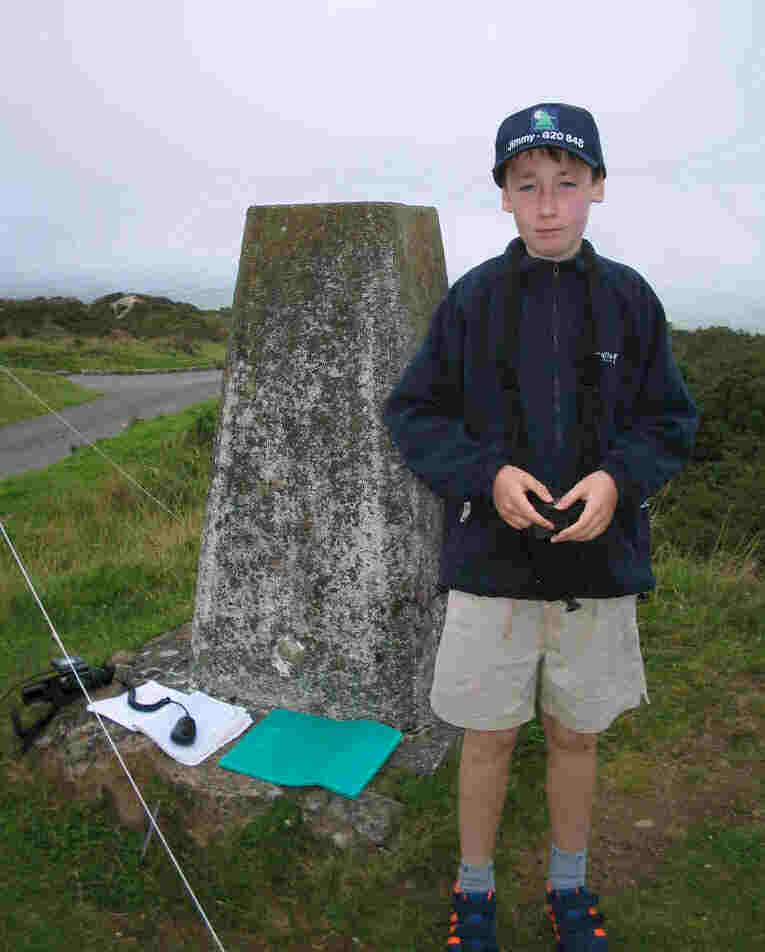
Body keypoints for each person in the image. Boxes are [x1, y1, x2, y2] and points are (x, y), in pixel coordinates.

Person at [383, 103, 699, 951]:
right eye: (528, 187)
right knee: (486, 737)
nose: (548, 204)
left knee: (574, 735)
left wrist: (616, 480)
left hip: (596, 571)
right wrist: (486, 476)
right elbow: (414, 412)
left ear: (595, 187)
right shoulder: (473, 299)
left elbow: (668, 422)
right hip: (490, 566)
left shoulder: (630, 299)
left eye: (566, 184)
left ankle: (568, 887)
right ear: (504, 197)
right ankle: (473, 895)